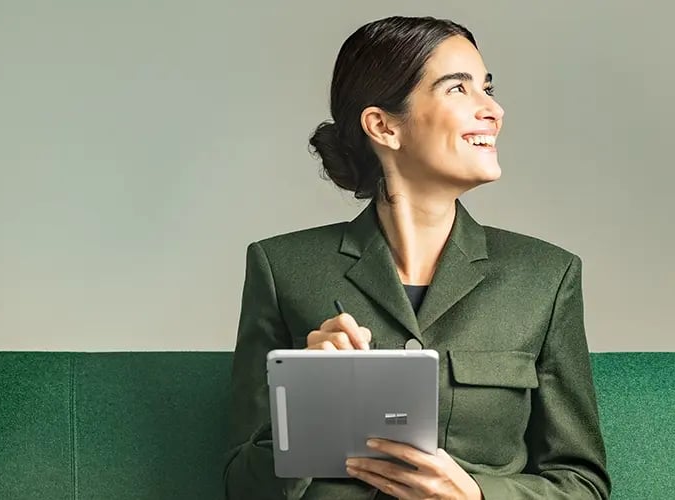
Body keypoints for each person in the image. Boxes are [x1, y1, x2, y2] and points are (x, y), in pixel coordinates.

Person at [223, 15, 610, 500]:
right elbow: (239, 484)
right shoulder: (280, 268)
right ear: (383, 126)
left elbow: (581, 484)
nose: (493, 109)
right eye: (458, 89)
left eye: (487, 88)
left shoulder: (546, 277)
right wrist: (309, 405)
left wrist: (477, 495)